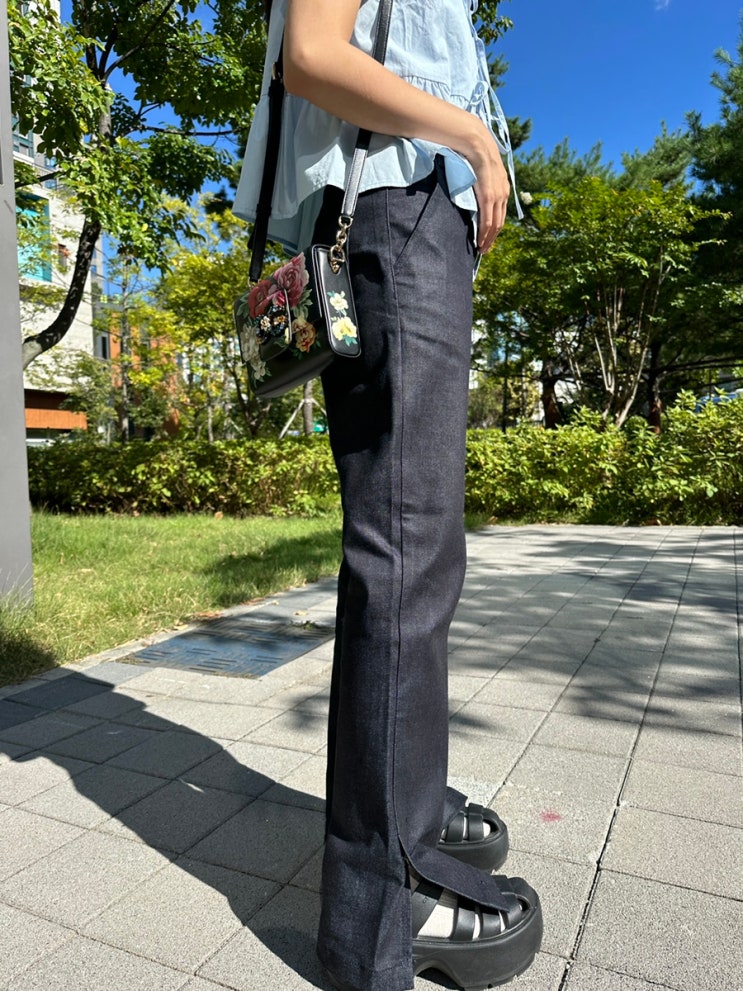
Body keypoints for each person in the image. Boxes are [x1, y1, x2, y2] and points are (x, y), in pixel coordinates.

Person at [233, 2, 543, 990]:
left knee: (412, 553)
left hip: (402, 222)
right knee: (406, 556)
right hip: (393, 218)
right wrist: (472, 138)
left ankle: (405, 809)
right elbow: (313, 55)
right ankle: (384, 906)